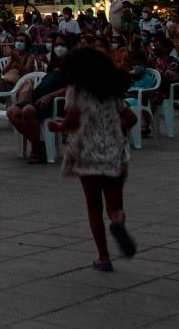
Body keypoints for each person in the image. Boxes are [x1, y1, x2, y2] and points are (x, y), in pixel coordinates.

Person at [47, 47, 137, 272]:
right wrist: (117, 130)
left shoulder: (76, 91)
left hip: (86, 153)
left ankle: (104, 257)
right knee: (114, 206)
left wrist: (58, 126)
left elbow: (72, 118)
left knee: (93, 206)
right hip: (112, 152)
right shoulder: (112, 92)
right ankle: (118, 223)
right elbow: (130, 118)